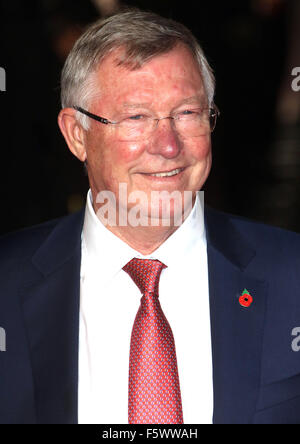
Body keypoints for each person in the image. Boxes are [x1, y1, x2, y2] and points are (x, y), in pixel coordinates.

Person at [1, 9, 300, 425]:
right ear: (76, 134)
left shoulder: (292, 274)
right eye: (137, 118)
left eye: (187, 114)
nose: (168, 146)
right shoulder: (7, 282)